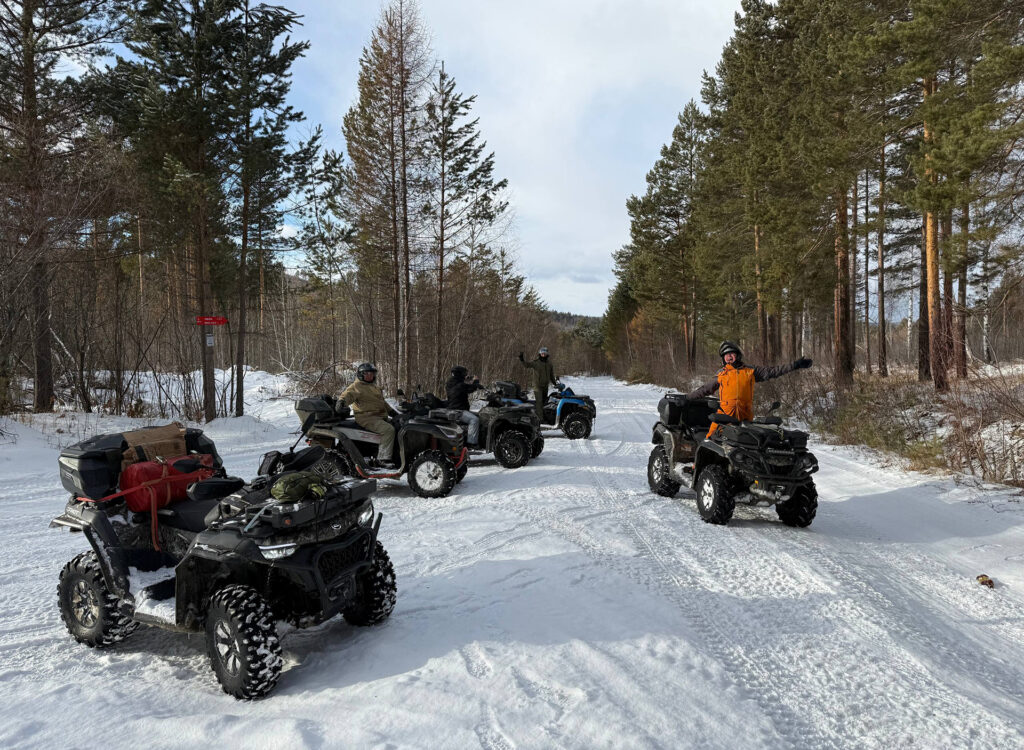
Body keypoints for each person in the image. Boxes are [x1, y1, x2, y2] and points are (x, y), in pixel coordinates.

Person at [688, 341, 812, 437]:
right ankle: (697, 468)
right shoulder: (721, 374)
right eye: (726, 355)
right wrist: (688, 398)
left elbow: (774, 371)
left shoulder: (751, 371)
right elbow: (705, 389)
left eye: (731, 353)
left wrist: (795, 365)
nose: (729, 357)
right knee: (711, 438)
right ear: (723, 358)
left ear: (738, 355)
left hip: (745, 418)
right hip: (724, 417)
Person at [339, 362, 398, 465]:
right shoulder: (357, 386)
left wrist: (393, 412)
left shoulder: (373, 387)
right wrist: (341, 403)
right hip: (366, 417)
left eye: (372, 374)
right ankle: (383, 459)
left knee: (399, 426)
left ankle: (396, 456)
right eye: (367, 374)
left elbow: (382, 402)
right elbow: (347, 395)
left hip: (379, 416)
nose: (370, 376)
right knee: (388, 430)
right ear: (361, 374)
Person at [445, 365, 483, 447]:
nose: (465, 375)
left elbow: (464, 385)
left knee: (480, 416)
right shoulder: (459, 385)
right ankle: (471, 443)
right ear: (459, 374)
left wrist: (469, 380)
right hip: (458, 410)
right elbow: (470, 388)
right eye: (464, 374)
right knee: (474, 420)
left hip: (455, 408)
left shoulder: (451, 382)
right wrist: (476, 382)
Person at [519, 346, 559, 423]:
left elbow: (551, 375)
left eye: (544, 353)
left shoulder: (549, 364)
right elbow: (527, 365)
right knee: (539, 401)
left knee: (544, 401)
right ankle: (540, 419)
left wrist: (555, 384)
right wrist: (522, 359)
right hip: (537, 385)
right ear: (539, 354)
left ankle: (544, 416)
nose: (543, 354)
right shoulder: (536, 363)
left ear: (547, 354)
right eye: (542, 353)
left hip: (545, 386)